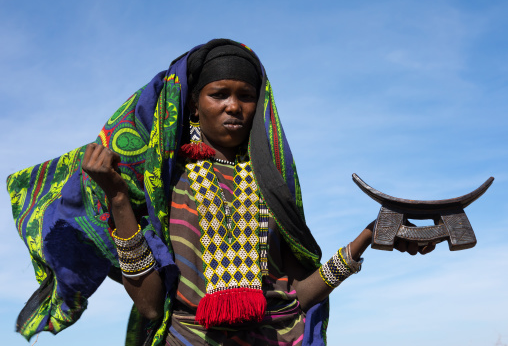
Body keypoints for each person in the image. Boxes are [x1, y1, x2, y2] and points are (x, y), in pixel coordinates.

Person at [7, 39, 434, 346]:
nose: (234, 106)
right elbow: (152, 306)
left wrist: (365, 239)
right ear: (194, 105)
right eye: (219, 94)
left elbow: (295, 298)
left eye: (246, 96)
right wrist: (119, 199)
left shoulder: (270, 188)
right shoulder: (165, 187)